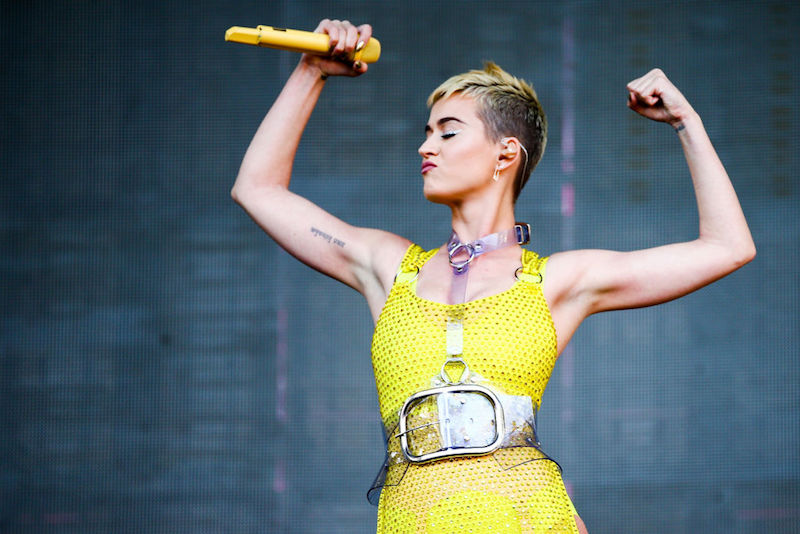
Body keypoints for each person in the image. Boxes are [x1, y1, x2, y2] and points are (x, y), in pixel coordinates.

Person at [231, 19, 755, 534]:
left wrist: (686, 121)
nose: (426, 147)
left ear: (506, 152)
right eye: (426, 133)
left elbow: (728, 247)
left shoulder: (556, 282)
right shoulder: (389, 269)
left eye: (448, 132)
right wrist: (311, 71)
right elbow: (257, 189)